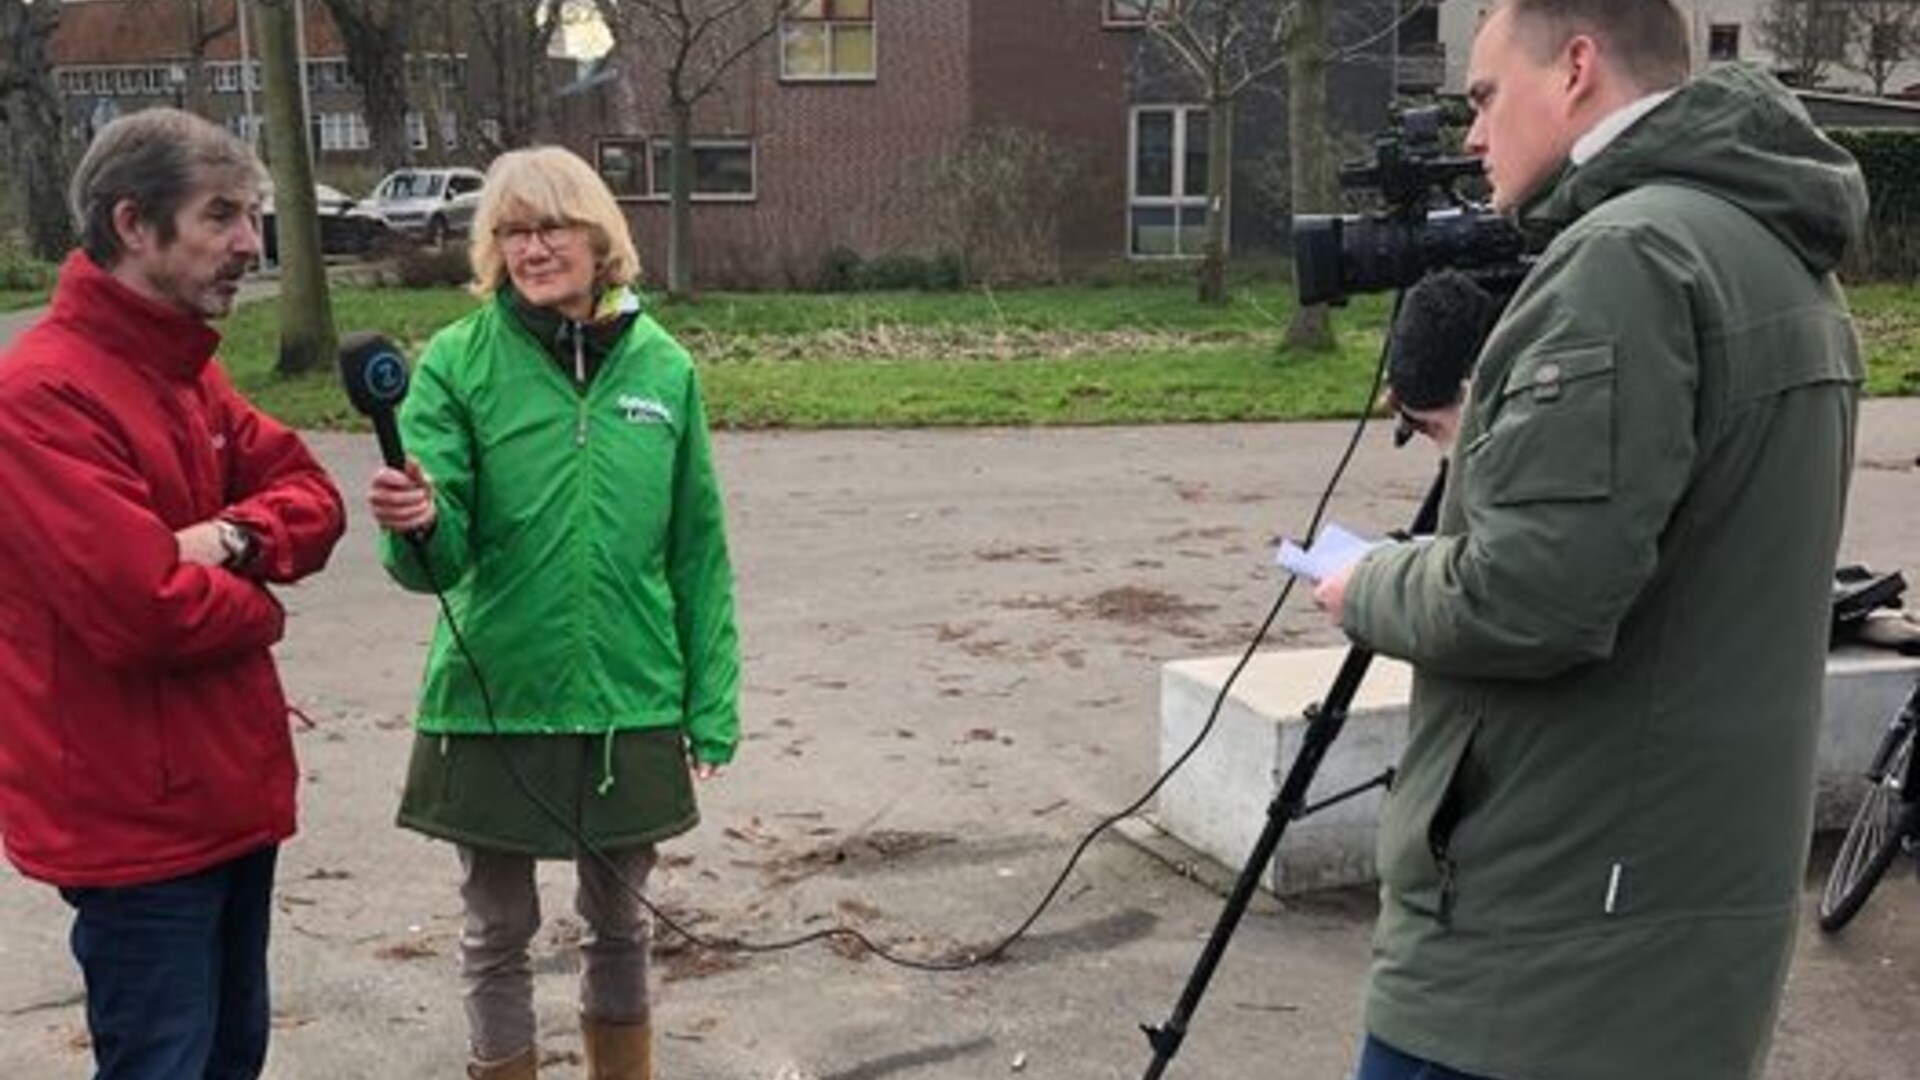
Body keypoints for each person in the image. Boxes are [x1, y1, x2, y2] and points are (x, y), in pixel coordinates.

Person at [1312, 3, 1868, 1079]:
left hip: (1539, 961)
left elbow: (1528, 600)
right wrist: (1498, 442)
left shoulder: (1626, 258)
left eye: (1483, 95)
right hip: (1683, 928)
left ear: (1574, 68)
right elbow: (1692, 529)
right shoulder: (1776, 249)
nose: (1472, 136)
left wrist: (1366, 582)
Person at [365, 146, 740, 1080]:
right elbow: (437, 562)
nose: (533, 249)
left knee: (619, 925)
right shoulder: (456, 364)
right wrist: (416, 520)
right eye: (512, 232)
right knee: (498, 929)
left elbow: (698, 550)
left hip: (631, 695)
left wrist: (712, 700)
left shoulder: (665, 368)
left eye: (552, 226)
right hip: (496, 693)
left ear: (597, 234)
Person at [0, 108, 347, 1078]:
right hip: (134, 824)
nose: (249, 244)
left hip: (228, 793)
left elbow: (316, 499)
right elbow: (144, 607)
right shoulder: (42, 398)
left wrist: (233, 536)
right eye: (222, 217)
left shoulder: (188, 373)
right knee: (164, 1062)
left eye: (251, 217)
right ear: (133, 225)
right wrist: (265, 605)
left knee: (232, 1057)